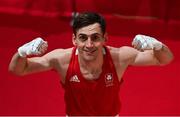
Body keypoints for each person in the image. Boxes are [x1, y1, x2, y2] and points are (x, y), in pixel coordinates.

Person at [9, 12, 174, 116]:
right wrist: (22, 52)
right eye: (83, 38)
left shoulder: (119, 57)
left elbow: (164, 59)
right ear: (74, 39)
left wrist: (157, 45)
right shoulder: (61, 59)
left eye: (95, 37)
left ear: (105, 38)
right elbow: (19, 69)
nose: (89, 45)